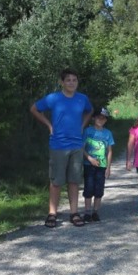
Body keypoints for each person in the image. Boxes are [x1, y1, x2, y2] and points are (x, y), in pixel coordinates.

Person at [30, 68, 93, 228]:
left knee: (74, 180)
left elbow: (90, 110)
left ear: (77, 82)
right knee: (56, 181)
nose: (71, 83)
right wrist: (49, 125)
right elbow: (34, 109)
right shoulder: (53, 98)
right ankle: (52, 213)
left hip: (77, 144)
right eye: (68, 80)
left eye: (74, 80)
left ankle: (74, 213)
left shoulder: (82, 99)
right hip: (58, 144)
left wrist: (82, 125)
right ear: (62, 82)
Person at [82, 107, 114, 222]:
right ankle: (87, 212)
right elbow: (82, 147)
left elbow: (109, 151)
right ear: (93, 118)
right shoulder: (87, 131)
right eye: (99, 118)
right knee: (89, 187)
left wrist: (108, 167)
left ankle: (95, 212)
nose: (101, 120)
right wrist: (89, 158)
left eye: (104, 118)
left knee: (99, 189)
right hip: (88, 164)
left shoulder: (108, 133)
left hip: (102, 166)